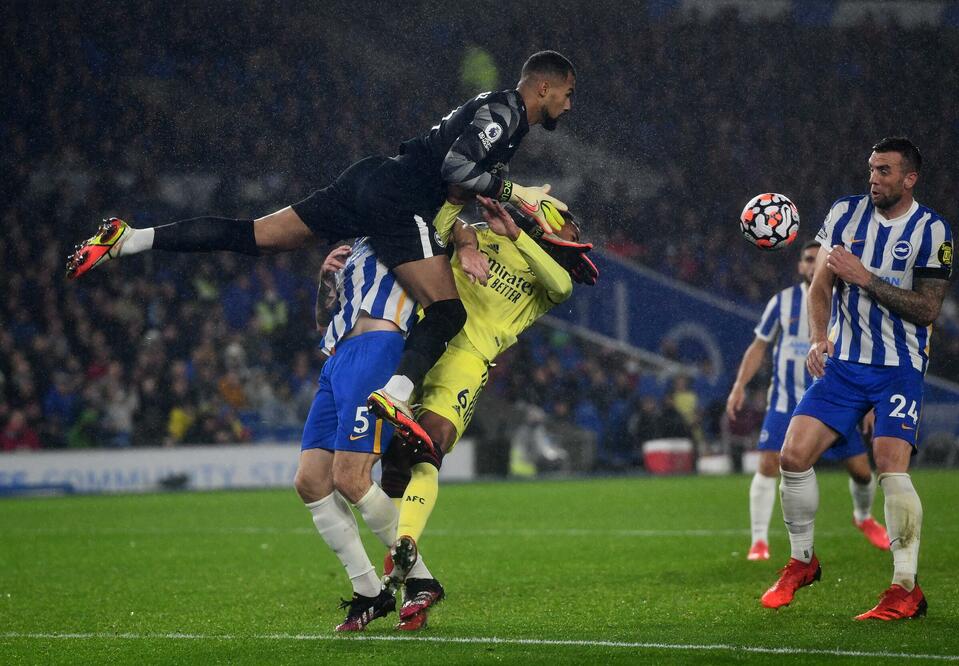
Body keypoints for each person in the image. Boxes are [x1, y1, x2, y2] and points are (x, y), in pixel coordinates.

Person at [65, 50, 577, 450]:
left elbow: (461, 173)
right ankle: (396, 394)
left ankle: (130, 239)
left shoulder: (497, 112)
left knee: (255, 236)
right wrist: (514, 193)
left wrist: (475, 224)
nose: (568, 105)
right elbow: (455, 168)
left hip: (368, 179)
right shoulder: (507, 113)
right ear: (544, 87)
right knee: (448, 312)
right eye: (567, 94)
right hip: (400, 201)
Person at [760, 137, 952, 621]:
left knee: (890, 467)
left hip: (899, 366)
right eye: (871, 169)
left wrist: (866, 278)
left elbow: (927, 309)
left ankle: (905, 588)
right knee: (792, 456)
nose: (873, 179)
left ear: (909, 178)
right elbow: (820, 285)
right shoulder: (845, 214)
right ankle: (802, 561)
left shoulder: (932, 230)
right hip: (844, 364)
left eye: (884, 171)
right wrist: (818, 337)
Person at [378, 195, 597, 609]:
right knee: (393, 463)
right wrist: (465, 238)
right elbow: (437, 222)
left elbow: (563, 286)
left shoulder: (549, 278)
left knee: (428, 446)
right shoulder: (482, 235)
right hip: (422, 336)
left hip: (467, 360)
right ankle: (407, 564)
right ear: (547, 219)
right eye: (573, 230)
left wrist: (514, 233)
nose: (576, 240)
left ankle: (405, 542)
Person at [293, 243, 440, 632]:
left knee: (350, 476)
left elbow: (441, 300)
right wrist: (326, 282)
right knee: (310, 481)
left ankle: (421, 579)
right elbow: (324, 321)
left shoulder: (409, 229)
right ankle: (369, 591)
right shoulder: (355, 248)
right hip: (337, 358)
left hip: (379, 347)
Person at [727, 241, 889, 562]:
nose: (813, 264)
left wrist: (869, 403)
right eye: (807, 259)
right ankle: (759, 541)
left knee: (861, 472)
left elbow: (863, 352)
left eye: (818, 259)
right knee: (768, 464)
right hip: (785, 401)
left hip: (834, 400)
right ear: (800, 266)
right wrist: (739, 385)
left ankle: (863, 517)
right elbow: (759, 346)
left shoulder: (847, 301)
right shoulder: (782, 302)